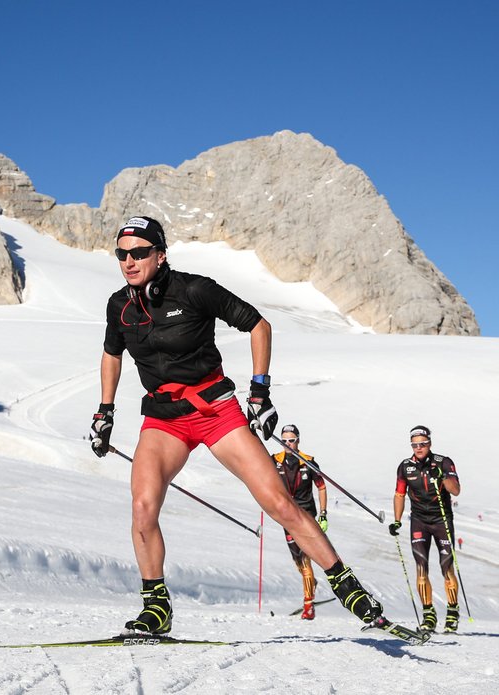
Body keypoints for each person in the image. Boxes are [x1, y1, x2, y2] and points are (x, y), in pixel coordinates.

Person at [89, 215, 382, 635]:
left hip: (215, 412)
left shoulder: (195, 289)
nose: (130, 261)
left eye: (139, 253)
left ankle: (346, 585)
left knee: (279, 503)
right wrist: (105, 411)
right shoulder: (119, 305)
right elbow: (111, 353)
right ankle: (156, 607)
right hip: (164, 419)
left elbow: (258, 324)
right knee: (142, 507)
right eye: (122, 254)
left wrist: (259, 391)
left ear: (160, 254)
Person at [389, 425, 461, 633]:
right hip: (419, 521)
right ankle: (428, 614)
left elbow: (455, 491)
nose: (419, 448)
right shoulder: (405, 467)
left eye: (423, 444)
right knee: (421, 566)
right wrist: (396, 520)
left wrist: (442, 476)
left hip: (441, 520)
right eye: (415, 445)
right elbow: (399, 494)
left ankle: (452, 611)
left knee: (446, 566)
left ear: (430, 443)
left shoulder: (443, 462)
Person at [271, 424, 328, 620]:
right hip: (287, 516)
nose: (287, 444)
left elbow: (321, 487)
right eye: (284, 440)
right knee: (297, 560)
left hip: (306, 515)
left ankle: (308, 605)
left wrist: (323, 513)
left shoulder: (309, 462)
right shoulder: (274, 461)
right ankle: (310, 584)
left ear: (298, 441)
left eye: (291, 440)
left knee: (305, 559)